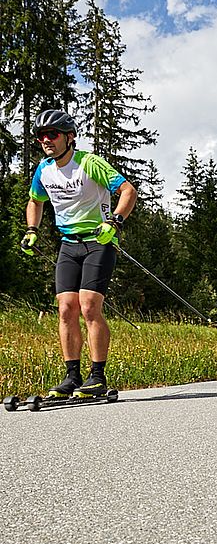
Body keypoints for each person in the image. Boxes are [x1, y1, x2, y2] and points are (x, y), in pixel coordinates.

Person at [20, 109, 137, 398]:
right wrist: (32, 229)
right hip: (68, 245)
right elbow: (35, 201)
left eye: (53, 134)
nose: (46, 140)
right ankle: (72, 376)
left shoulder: (89, 163)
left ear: (69, 137)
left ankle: (97, 377)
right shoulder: (44, 170)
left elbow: (127, 191)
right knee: (65, 309)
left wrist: (114, 222)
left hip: (99, 241)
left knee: (88, 307)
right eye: (41, 135)